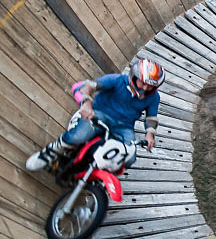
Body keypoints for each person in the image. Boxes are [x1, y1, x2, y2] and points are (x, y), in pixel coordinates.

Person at [26, 57, 165, 171]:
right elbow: (88, 86)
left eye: (151, 86)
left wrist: (150, 133)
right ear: (134, 77)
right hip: (100, 114)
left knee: (129, 158)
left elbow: (151, 117)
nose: (145, 88)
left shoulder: (154, 97)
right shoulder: (117, 80)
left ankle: (97, 175)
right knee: (79, 136)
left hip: (124, 127)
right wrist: (86, 103)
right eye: (143, 83)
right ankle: (51, 152)